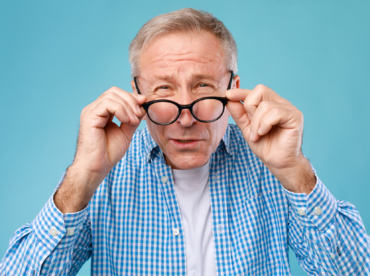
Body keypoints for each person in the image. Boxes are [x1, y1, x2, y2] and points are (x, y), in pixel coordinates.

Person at [1, 8, 369, 276]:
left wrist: (295, 171)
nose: (185, 116)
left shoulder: (272, 165)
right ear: (137, 94)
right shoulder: (103, 175)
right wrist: (83, 174)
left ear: (233, 90)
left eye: (203, 87)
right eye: (163, 91)